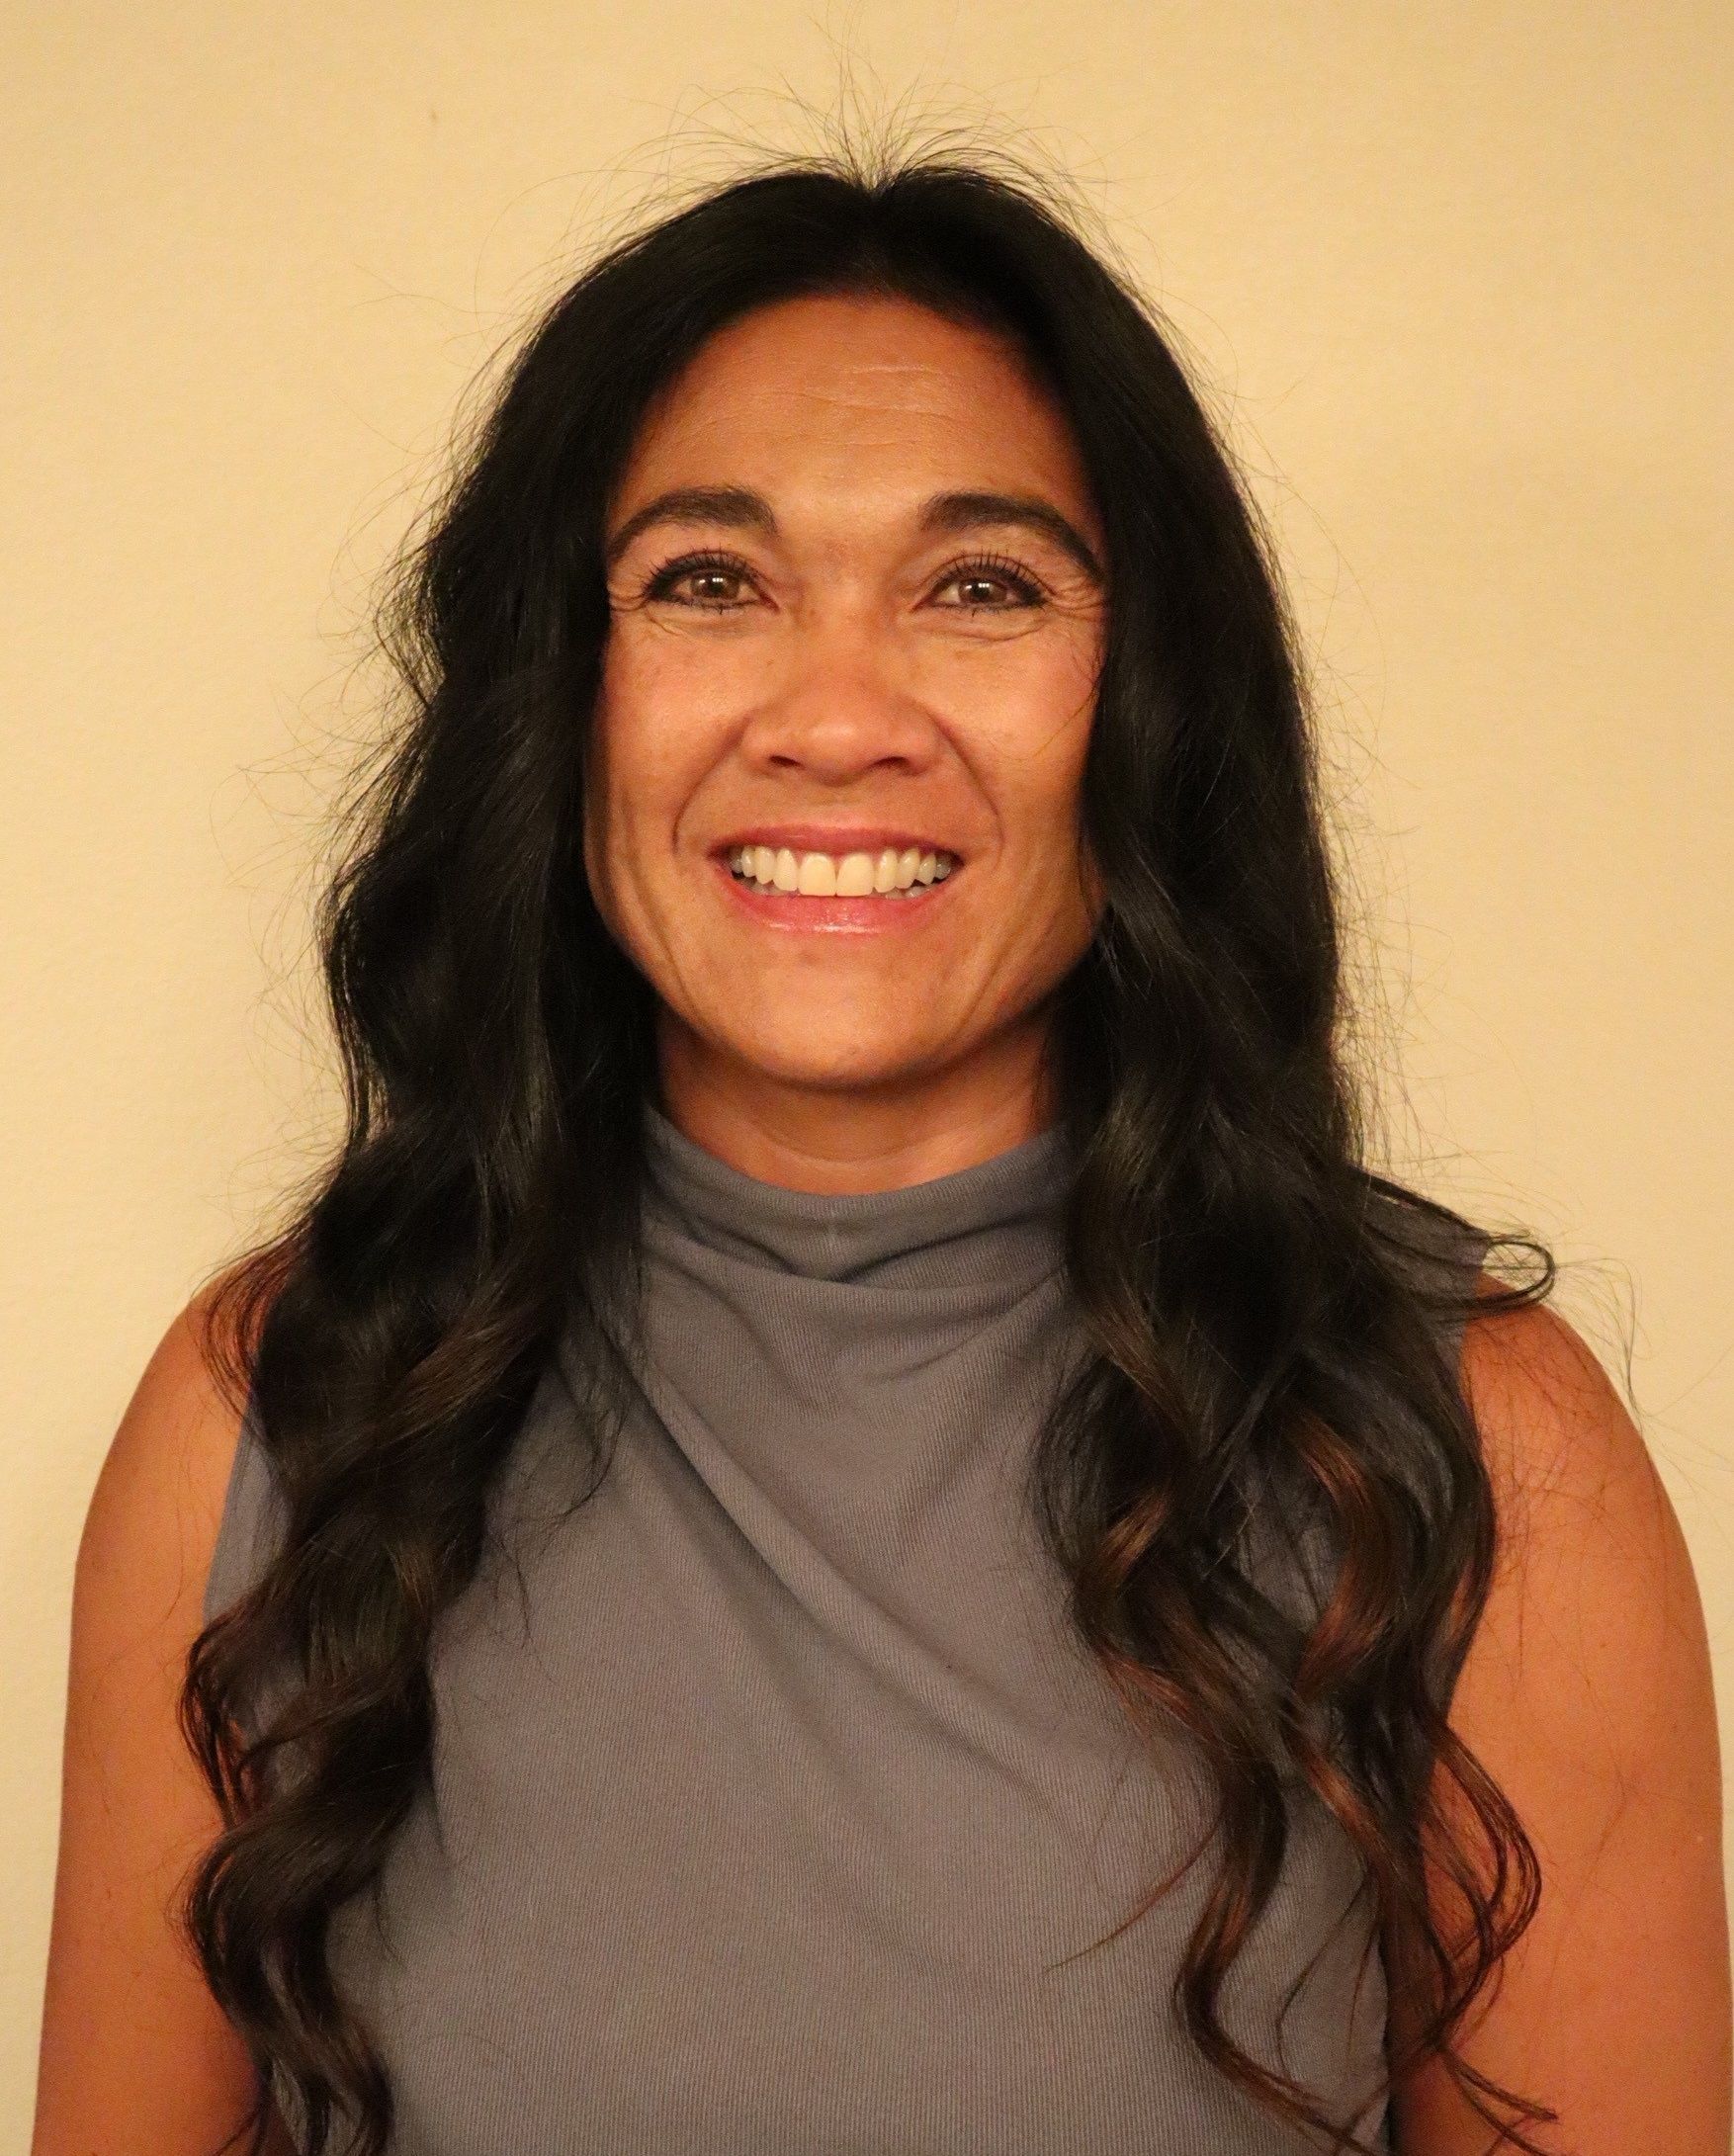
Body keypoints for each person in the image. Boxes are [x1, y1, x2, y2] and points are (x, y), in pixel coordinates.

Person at [33, 146, 1728, 2156]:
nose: (837, 718)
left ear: (1146, 700)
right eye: (708, 581)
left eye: (981, 585)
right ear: (561, 700)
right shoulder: (275, 1416)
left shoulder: (1467, 1448)